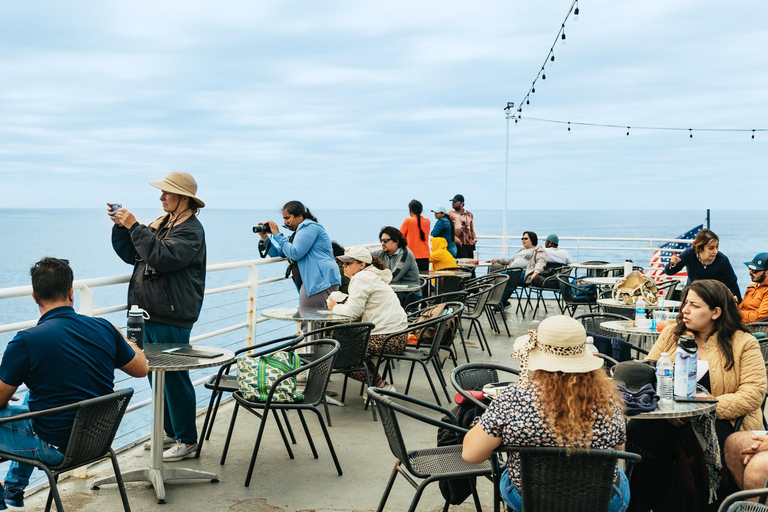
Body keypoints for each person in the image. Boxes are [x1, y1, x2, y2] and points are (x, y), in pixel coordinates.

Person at [0, 258, 148, 507]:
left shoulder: (25, 341)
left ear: (35, 297)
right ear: (70, 292)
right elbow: (141, 367)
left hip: (56, 448)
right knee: (31, 398)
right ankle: (13, 489)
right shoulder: (104, 328)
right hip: (96, 442)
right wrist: (123, 337)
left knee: (26, 406)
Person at [462, 315, 629, 512]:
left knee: (508, 473)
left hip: (529, 501)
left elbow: (471, 455)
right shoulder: (608, 400)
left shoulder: (512, 398)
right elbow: (619, 450)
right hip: (601, 502)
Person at [626, 279, 766, 512]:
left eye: (694, 305)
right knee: (638, 432)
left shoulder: (743, 343)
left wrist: (700, 410)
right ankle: (640, 504)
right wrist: (667, 410)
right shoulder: (673, 332)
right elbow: (650, 372)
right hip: (670, 415)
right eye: (685, 303)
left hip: (722, 420)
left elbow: (753, 393)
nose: (685, 310)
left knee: (687, 442)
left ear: (715, 312)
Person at [109, 171, 206, 461]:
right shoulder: (164, 224)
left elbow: (164, 258)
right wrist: (121, 228)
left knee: (175, 378)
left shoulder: (190, 230)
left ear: (184, 198)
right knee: (155, 375)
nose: (161, 197)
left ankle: (188, 440)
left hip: (170, 314)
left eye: (168, 193)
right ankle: (170, 430)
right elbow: (133, 254)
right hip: (146, 313)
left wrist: (135, 226)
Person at [327, 246, 409, 394]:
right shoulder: (371, 276)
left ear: (362, 264)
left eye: (348, 263)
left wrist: (334, 307)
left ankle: (382, 387)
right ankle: (380, 386)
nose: (343, 266)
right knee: (352, 353)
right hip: (398, 335)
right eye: (343, 263)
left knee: (340, 358)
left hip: (387, 338)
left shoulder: (361, 278)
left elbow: (353, 312)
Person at [256, 200, 341, 309]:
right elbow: (278, 253)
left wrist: (277, 234)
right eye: (284, 218)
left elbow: (295, 253)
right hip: (315, 280)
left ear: (299, 217)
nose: (285, 222)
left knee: (309, 319)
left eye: (287, 218)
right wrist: (265, 238)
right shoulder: (299, 233)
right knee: (315, 320)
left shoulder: (309, 227)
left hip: (320, 281)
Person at [665, 228, 741, 301]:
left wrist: (740, 304)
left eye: (717, 247)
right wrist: (672, 263)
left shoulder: (722, 260)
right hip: (692, 294)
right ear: (700, 248)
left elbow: (732, 283)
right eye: (711, 248)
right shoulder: (689, 254)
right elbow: (669, 272)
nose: (715, 251)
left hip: (714, 297)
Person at [371, 226, 421, 305]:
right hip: (393, 291)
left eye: (385, 241)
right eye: (381, 241)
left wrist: (373, 279)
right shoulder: (382, 253)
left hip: (410, 294)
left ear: (396, 241)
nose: (382, 243)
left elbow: (393, 277)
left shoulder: (405, 254)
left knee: (378, 300)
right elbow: (366, 256)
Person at [400, 199, 431, 271]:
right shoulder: (427, 221)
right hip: (425, 255)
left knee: (411, 279)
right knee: (424, 279)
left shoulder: (408, 221)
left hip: (411, 255)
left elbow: (399, 236)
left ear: (410, 210)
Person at [738, 252, 768, 323]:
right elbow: (741, 308)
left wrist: (735, 313)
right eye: (750, 268)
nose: (750, 272)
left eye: (755, 270)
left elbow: (758, 317)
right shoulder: (751, 287)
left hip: (756, 329)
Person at [447, 194, 476, 259]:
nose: (453, 203)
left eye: (455, 202)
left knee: (471, 264)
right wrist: (454, 238)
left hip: (469, 243)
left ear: (461, 203)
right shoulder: (449, 214)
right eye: (452, 202)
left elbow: (471, 228)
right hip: (458, 243)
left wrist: (474, 239)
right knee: (461, 263)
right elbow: (448, 230)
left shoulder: (469, 214)